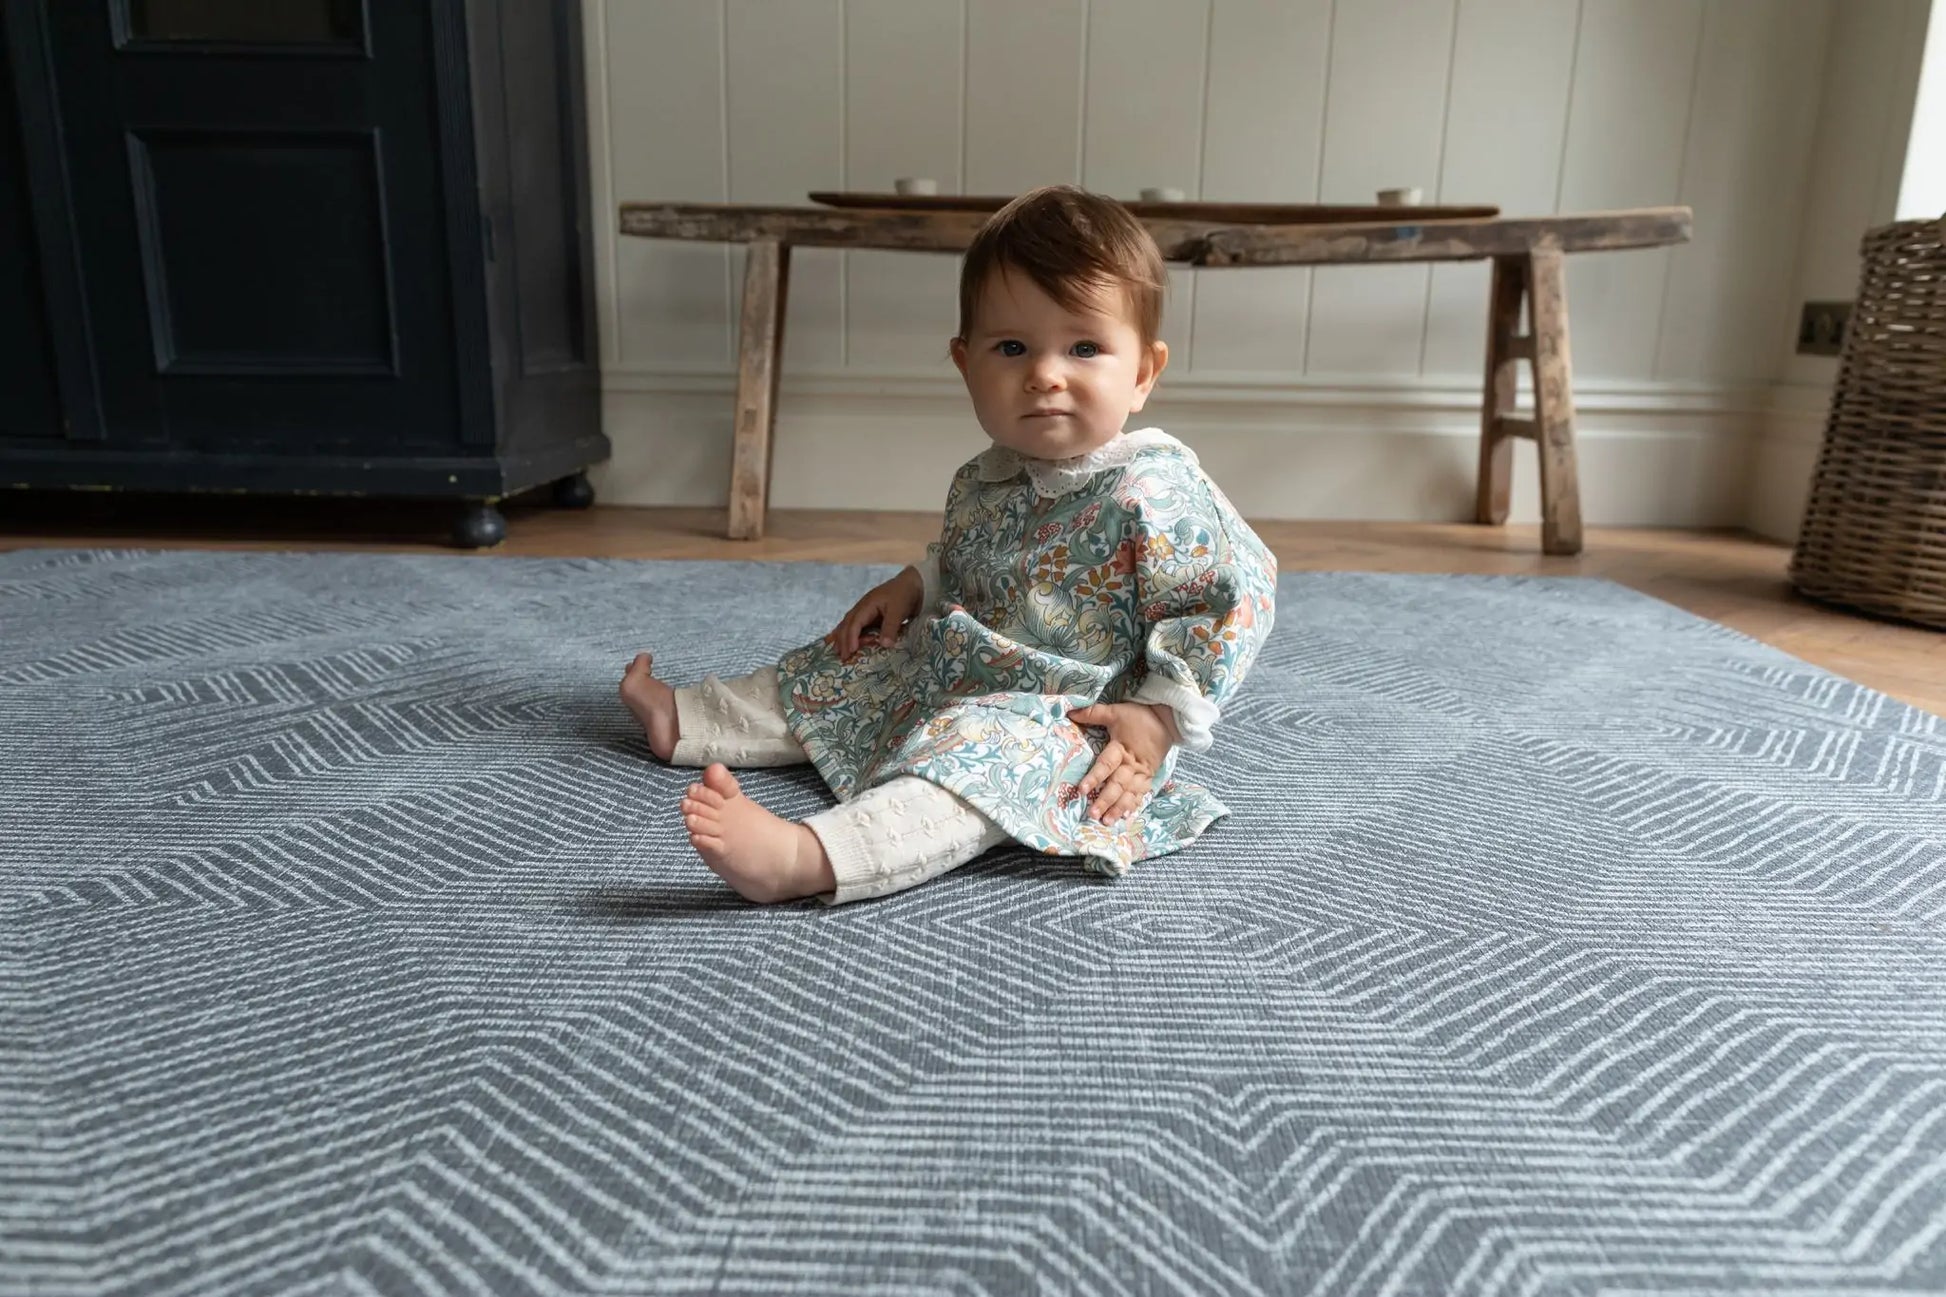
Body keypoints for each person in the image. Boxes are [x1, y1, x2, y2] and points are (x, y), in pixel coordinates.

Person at [619, 184, 1277, 906]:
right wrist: (917, 584)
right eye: (1012, 347)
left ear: (1143, 372)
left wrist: (1158, 717)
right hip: (960, 666)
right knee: (848, 668)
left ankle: (810, 856)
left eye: (1085, 348)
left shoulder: (1156, 490)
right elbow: (976, 553)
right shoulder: (987, 475)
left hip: (1073, 714)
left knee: (974, 767)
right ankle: (690, 720)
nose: (1045, 374)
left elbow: (1233, 599)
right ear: (966, 364)